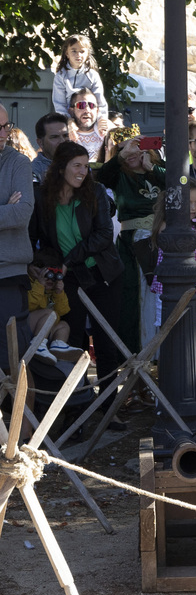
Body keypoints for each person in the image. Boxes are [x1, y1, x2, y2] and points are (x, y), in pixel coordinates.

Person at [29, 141, 124, 400]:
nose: (83, 171)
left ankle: (108, 405)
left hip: (103, 274)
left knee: (106, 343)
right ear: (61, 168)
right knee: (72, 343)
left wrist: (70, 259)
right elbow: (37, 240)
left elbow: (104, 235)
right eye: (77, 165)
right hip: (68, 279)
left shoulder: (97, 192)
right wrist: (41, 266)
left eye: (86, 165)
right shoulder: (42, 197)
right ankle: (76, 404)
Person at [148, 180, 196, 417]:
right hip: (170, 291)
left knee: (192, 341)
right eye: (189, 202)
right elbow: (162, 237)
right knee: (167, 341)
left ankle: (192, 394)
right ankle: (166, 396)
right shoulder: (167, 225)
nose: (193, 208)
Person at [97, 136, 166, 353]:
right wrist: (121, 157)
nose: (133, 152)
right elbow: (101, 177)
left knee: (160, 297)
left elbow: (181, 186)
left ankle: (161, 358)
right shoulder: (118, 175)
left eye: (138, 146)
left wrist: (152, 169)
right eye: (127, 149)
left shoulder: (159, 171)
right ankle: (137, 356)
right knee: (134, 298)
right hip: (132, 244)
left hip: (163, 241)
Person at [0, 103, 35, 372]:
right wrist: (5, 210)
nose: (3, 133)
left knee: (12, 358)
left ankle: (17, 415)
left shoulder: (18, 162)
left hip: (9, 272)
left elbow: (22, 213)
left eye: (5, 126)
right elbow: (11, 214)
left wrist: (13, 210)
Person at [26, 247, 81, 362]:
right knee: (49, 314)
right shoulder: (30, 284)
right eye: (48, 275)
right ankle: (37, 346)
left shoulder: (53, 290)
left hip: (46, 329)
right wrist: (40, 285)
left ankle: (58, 346)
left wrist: (59, 293)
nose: (50, 280)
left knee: (64, 325)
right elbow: (29, 305)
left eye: (54, 276)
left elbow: (63, 311)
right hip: (28, 326)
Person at [52, 35, 108, 118]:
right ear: (67, 53)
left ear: (87, 54)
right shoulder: (61, 76)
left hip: (89, 117)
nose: (78, 55)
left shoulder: (93, 75)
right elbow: (59, 104)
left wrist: (101, 119)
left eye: (82, 51)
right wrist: (68, 121)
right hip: (69, 118)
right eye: (74, 51)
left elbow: (100, 101)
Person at [68, 88, 108, 165]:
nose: (87, 110)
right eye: (81, 105)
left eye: (92, 105)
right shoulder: (65, 136)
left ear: (97, 111)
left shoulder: (107, 132)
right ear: (71, 110)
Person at [32, 113, 71, 184]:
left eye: (65, 136)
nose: (62, 141)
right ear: (40, 142)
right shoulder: (34, 170)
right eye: (55, 137)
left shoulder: (80, 164)